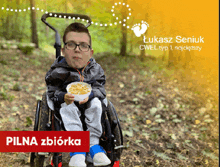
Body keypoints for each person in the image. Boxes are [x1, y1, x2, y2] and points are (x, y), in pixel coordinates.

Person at [45, 22, 111, 167]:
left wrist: (92, 94)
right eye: (71, 45)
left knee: (96, 104)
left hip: (89, 102)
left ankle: (94, 146)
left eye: (83, 45)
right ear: (63, 50)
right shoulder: (57, 71)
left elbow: (101, 88)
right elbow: (51, 91)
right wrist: (62, 96)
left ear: (90, 52)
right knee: (67, 107)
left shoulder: (95, 69)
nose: (77, 50)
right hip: (67, 104)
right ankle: (78, 149)